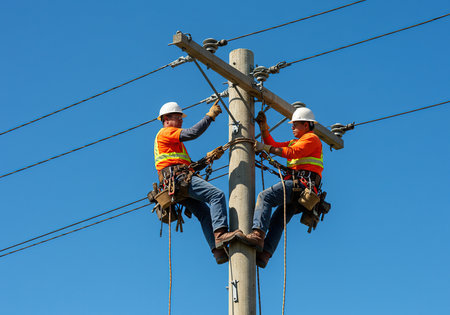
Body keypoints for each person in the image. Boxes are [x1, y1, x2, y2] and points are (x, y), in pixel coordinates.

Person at [154, 101, 245, 264]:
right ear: (166, 119)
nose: (181, 121)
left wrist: (207, 159)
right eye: (178, 117)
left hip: (177, 182)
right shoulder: (165, 133)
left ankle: (218, 252)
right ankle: (220, 235)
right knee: (216, 195)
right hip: (178, 180)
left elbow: (189, 168)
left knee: (204, 213)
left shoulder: (175, 145)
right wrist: (210, 116)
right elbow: (193, 133)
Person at [247, 107, 324, 268]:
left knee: (265, 197)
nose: (292, 127)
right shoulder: (295, 141)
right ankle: (264, 254)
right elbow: (273, 144)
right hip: (299, 189)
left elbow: (293, 152)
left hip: (301, 186)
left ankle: (257, 235)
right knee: (278, 220)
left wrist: (265, 148)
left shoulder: (312, 138)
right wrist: (264, 127)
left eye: (295, 124)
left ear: (306, 125)